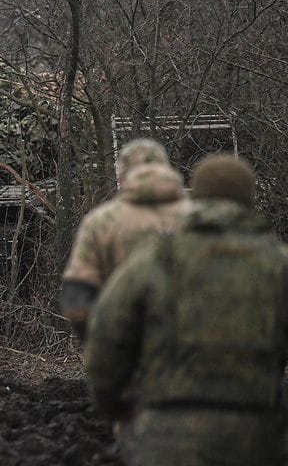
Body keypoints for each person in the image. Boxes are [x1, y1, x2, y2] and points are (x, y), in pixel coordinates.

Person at [85, 154, 288, 466]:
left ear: (196, 196)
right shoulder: (278, 262)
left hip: (164, 437)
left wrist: (115, 405)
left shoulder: (156, 258)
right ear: (249, 198)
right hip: (255, 436)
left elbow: (107, 334)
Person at [60, 138, 190, 339]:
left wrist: (103, 349)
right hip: (190, 353)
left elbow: (78, 300)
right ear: (166, 171)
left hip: (123, 350)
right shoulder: (197, 217)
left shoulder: (101, 223)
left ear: (121, 177)